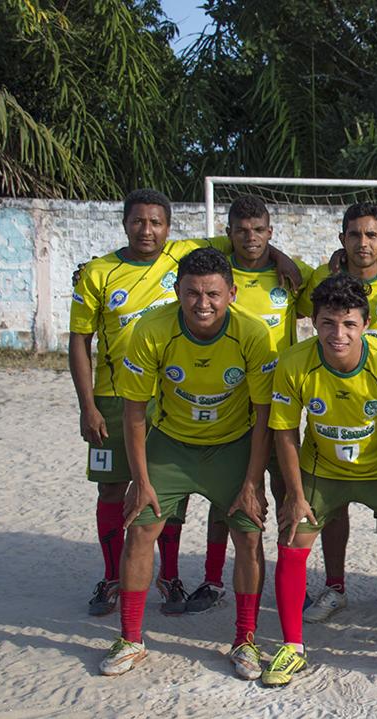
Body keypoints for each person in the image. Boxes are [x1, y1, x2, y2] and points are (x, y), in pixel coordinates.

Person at [98, 248, 275, 678]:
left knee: (249, 537)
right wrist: (140, 479)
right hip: (172, 443)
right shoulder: (151, 329)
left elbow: (265, 415)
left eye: (213, 293)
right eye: (192, 293)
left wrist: (253, 482)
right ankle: (130, 639)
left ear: (232, 293)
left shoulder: (253, 334)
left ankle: (245, 640)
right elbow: (135, 411)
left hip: (231, 446)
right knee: (141, 527)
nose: (203, 304)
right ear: (177, 291)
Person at [264, 273, 377, 686]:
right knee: (292, 536)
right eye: (327, 323)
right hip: (323, 468)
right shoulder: (294, 362)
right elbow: (285, 431)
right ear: (314, 322)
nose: (337, 334)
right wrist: (295, 495)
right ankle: (292, 647)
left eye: (349, 324)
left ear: (366, 323)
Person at [71, 190, 226, 618]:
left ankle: (169, 575)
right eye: (138, 221)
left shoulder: (185, 257)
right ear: (125, 224)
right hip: (115, 400)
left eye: (156, 222)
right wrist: (88, 406)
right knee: (112, 488)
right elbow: (80, 342)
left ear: (168, 228)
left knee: (167, 493)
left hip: (170, 400)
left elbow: (249, 243)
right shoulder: (99, 273)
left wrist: (285, 262)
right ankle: (112, 577)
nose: (147, 230)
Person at [186, 195, 314, 614]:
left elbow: (338, 277)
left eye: (259, 230)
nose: (250, 237)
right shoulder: (218, 269)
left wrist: (283, 258)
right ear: (228, 233)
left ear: (270, 231)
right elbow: (177, 253)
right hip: (234, 401)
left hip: (282, 402)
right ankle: (211, 577)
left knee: (283, 489)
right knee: (228, 493)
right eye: (241, 230)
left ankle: (288, 579)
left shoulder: (291, 276)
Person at [297, 203, 377, 622]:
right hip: (330, 399)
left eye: (371, 235)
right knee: (334, 506)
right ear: (342, 239)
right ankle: (334, 587)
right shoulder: (324, 278)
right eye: (354, 235)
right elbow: (292, 292)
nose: (362, 243)